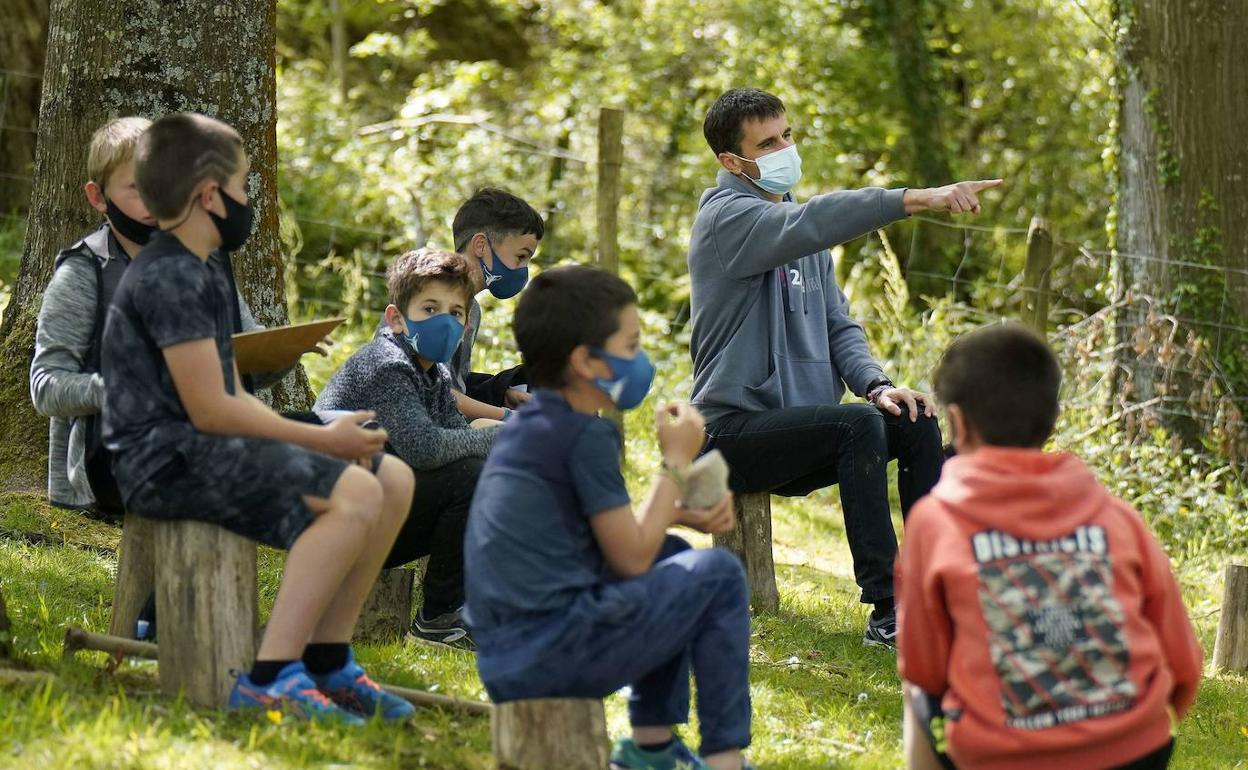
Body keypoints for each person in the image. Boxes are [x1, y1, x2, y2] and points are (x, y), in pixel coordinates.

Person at [104, 112, 416, 722]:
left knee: (393, 479)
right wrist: (322, 443)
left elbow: (225, 395)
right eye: (245, 187)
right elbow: (212, 409)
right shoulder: (170, 274)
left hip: (201, 445)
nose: (250, 201)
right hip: (162, 461)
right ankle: (272, 676)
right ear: (208, 196)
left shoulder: (206, 266)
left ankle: (329, 659)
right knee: (353, 489)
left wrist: (323, 437)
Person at [689, 86, 1001, 646]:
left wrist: (878, 386)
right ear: (732, 162)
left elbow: (839, 327)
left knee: (912, 416)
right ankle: (889, 611)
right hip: (727, 434)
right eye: (768, 143)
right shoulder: (727, 220)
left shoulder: (797, 230)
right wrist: (917, 199)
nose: (785, 148)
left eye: (786, 135)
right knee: (853, 423)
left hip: (801, 430)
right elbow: (819, 219)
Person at [465, 265, 755, 770]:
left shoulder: (535, 423)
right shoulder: (584, 436)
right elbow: (630, 555)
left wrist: (678, 514)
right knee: (720, 574)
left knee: (673, 555)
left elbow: (597, 534)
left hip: (508, 656)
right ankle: (725, 758)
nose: (641, 362)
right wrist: (676, 464)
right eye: (631, 347)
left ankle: (652, 748)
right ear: (586, 362)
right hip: (553, 654)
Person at [897, 324, 1203, 770]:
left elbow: (923, 667)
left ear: (958, 423)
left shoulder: (934, 523)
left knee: (915, 694)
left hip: (1003, 757)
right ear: (1052, 418)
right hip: (1135, 751)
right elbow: (1183, 660)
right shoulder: (1119, 518)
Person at [30, 116, 299, 523]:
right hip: (116, 456)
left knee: (355, 443)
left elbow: (246, 360)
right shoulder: (85, 272)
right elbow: (46, 386)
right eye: (140, 189)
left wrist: (281, 352)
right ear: (98, 197)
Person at [316, 247, 495, 646]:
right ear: (396, 318)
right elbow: (426, 449)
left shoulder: (436, 371)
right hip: (335, 519)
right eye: (430, 309)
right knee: (469, 476)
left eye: (455, 313)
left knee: (485, 473)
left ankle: (473, 608)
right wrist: (500, 436)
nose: (445, 322)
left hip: (380, 510)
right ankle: (437, 620)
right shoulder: (388, 365)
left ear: (466, 324)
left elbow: (452, 432)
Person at [446, 187, 543, 421]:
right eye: (521, 256)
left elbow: (454, 382)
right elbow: (429, 393)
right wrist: (507, 417)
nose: (523, 270)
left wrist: (503, 394)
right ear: (480, 246)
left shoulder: (472, 309)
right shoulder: (432, 303)